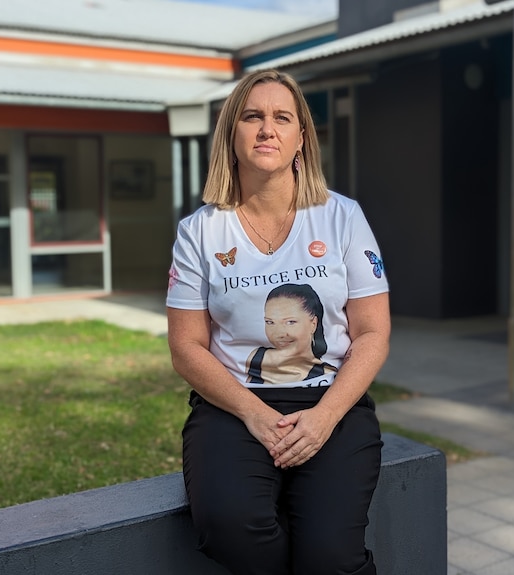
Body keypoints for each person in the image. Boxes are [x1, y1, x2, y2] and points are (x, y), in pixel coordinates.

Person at [166, 68, 390, 575]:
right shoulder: (199, 231)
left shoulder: (342, 217)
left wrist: (326, 416)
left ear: (300, 139)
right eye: (252, 116)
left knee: (331, 556)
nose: (267, 129)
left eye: (281, 118)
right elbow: (186, 347)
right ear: (232, 134)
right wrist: (253, 413)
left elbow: (373, 333)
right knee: (228, 527)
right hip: (233, 404)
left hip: (332, 400)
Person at [246, 283, 338, 385]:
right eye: (270, 322)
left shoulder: (326, 374)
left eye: (290, 322)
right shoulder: (258, 358)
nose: (279, 333)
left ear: (313, 324)